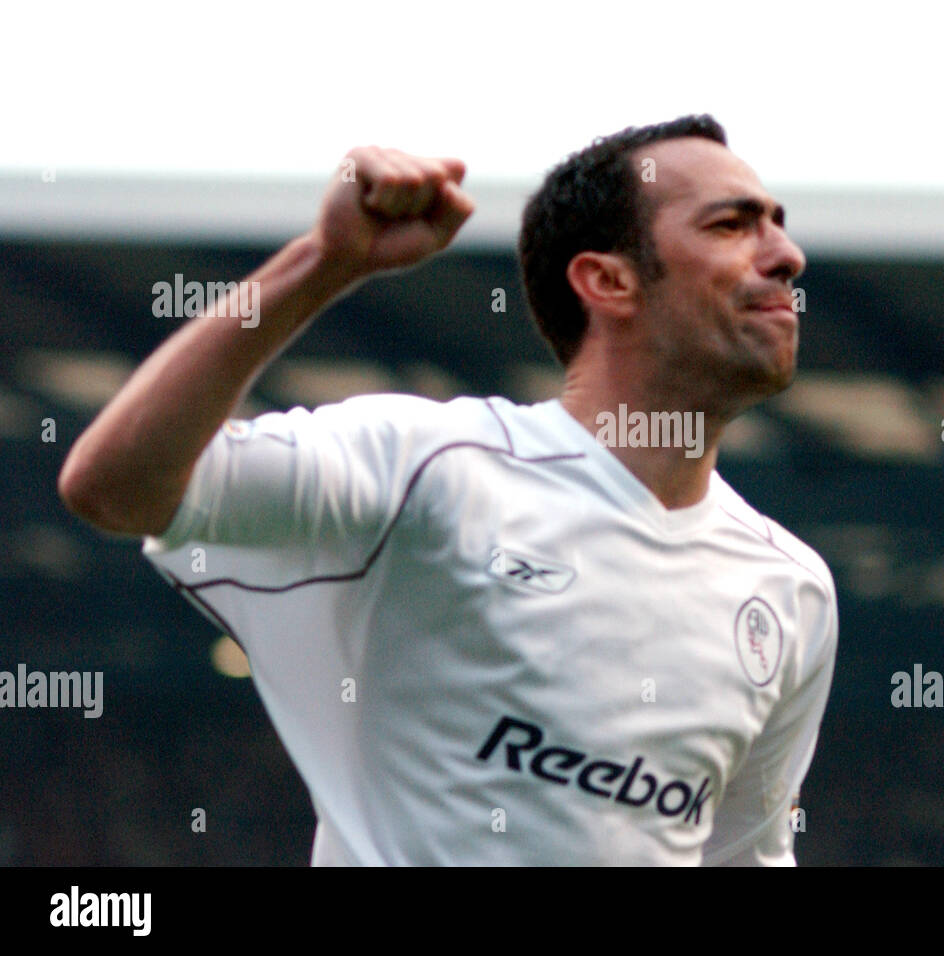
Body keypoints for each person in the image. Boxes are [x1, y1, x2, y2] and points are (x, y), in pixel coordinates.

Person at [57, 114, 838, 865]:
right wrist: (325, 261)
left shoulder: (790, 589)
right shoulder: (428, 468)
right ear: (608, 281)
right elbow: (113, 487)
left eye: (778, 222)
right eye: (733, 225)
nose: (787, 254)